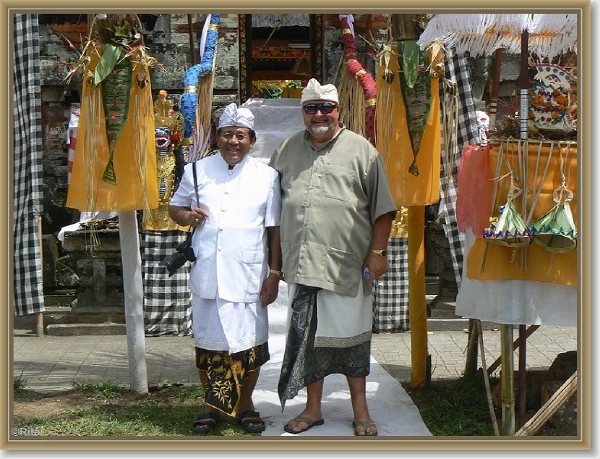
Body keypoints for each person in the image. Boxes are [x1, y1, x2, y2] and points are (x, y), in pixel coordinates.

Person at [269, 79, 397, 437]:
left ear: (339, 111)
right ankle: (313, 409)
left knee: (352, 338)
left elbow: (383, 208)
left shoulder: (362, 150)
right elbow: (274, 215)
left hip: (347, 264)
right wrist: (274, 266)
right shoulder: (286, 151)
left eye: (326, 107)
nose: (319, 114)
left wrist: (377, 253)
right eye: (311, 108)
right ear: (303, 113)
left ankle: (361, 410)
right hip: (302, 264)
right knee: (309, 340)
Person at [168, 103, 282, 434]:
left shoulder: (267, 176)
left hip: (249, 274)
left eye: (241, 136)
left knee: (249, 342)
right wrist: (187, 217)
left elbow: (274, 230)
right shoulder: (197, 171)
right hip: (207, 272)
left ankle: (244, 405)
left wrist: (274, 274)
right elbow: (176, 207)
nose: (233, 141)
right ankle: (211, 405)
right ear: (217, 137)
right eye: (227, 134)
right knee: (209, 341)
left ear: (252, 140)